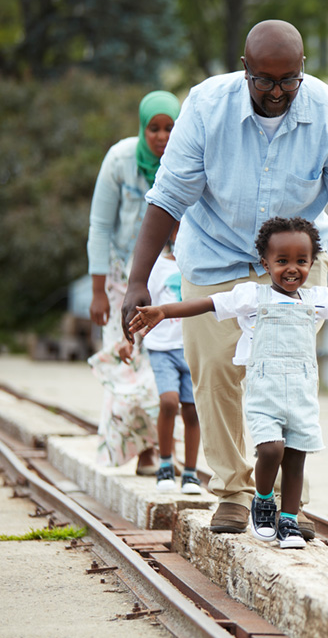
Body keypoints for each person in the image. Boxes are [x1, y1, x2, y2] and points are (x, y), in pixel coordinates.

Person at [121, 20, 328, 538]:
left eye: (289, 80)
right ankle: (236, 491)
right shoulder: (206, 106)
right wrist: (137, 281)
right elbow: (168, 197)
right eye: (265, 81)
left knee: (284, 376)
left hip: (293, 265)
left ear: (302, 70)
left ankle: (289, 503)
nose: (278, 92)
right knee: (217, 373)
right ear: (246, 71)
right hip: (214, 255)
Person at [129, 217, 328, 547]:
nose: (292, 269)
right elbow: (207, 303)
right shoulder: (252, 296)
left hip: (302, 393)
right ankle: (263, 498)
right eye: (282, 261)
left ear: (311, 262)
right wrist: (163, 311)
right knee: (271, 448)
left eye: (301, 261)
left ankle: (288, 520)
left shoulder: (317, 298)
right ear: (265, 263)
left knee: (295, 456)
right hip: (265, 393)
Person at [87, 89, 181, 473]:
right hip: (119, 277)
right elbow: (99, 226)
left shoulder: (184, 159)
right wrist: (98, 292)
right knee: (129, 362)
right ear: (142, 128)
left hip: (166, 276)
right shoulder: (120, 161)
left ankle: (161, 451)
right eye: (153, 128)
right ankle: (142, 451)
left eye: (169, 128)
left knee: (163, 359)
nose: (161, 137)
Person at [143, 222, 202, 494]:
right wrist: (126, 339)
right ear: (172, 234)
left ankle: (190, 473)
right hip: (162, 348)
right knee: (169, 402)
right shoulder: (159, 268)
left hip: (192, 348)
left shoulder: (201, 268)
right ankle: (165, 464)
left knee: (192, 410)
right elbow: (145, 305)